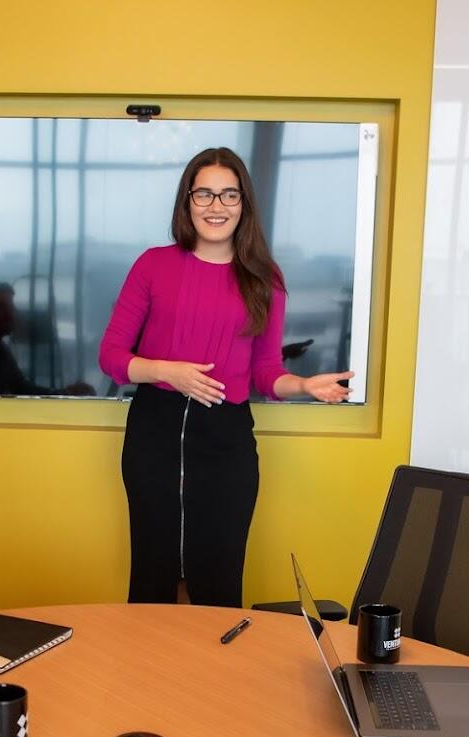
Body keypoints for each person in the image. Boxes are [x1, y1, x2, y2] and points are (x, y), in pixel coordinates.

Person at [97, 147, 354, 607]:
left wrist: (303, 386)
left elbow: (265, 372)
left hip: (226, 439)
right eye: (205, 194)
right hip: (155, 431)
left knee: (217, 584)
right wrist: (166, 372)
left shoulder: (264, 278)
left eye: (229, 195)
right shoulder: (153, 265)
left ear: (244, 204)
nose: (216, 206)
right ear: (187, 201)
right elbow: (111, 356)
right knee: (152, 576)